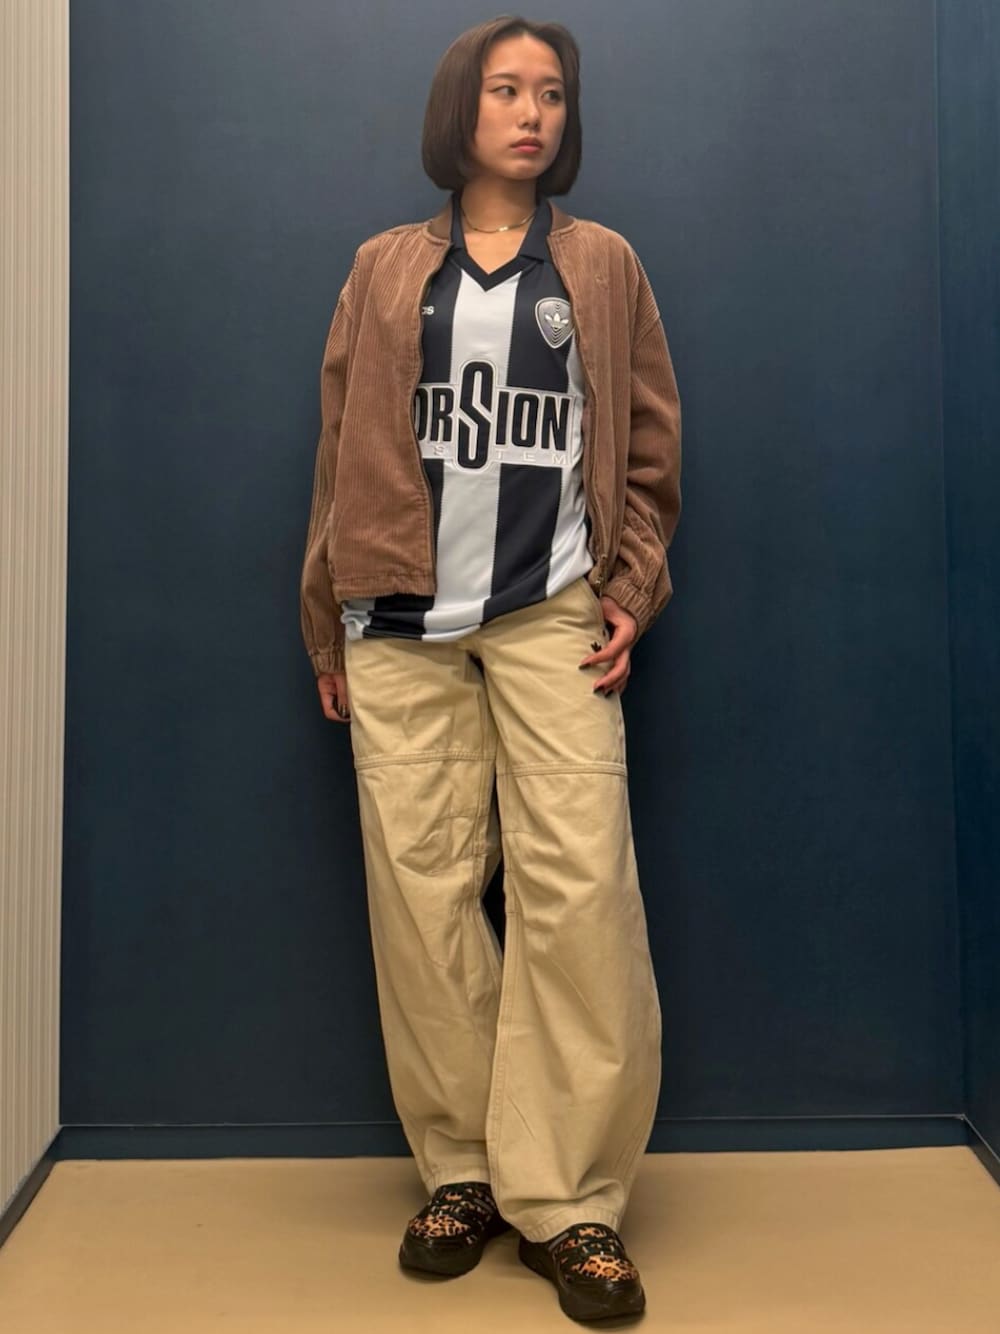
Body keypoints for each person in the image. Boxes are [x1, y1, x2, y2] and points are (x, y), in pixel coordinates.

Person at [300, 14, 681, 1324]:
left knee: (581, 889)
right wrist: (325, 619)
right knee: (423, 897)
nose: (532, 112)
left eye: (552, 93)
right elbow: (338, 451)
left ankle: (570, 1200)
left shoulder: (604, 265)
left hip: (546, 612)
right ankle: (462, 1172)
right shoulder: (383, 267)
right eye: (507, 89)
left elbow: (648, 445)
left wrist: (630, 585)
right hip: (397, 621)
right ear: (458, 108)